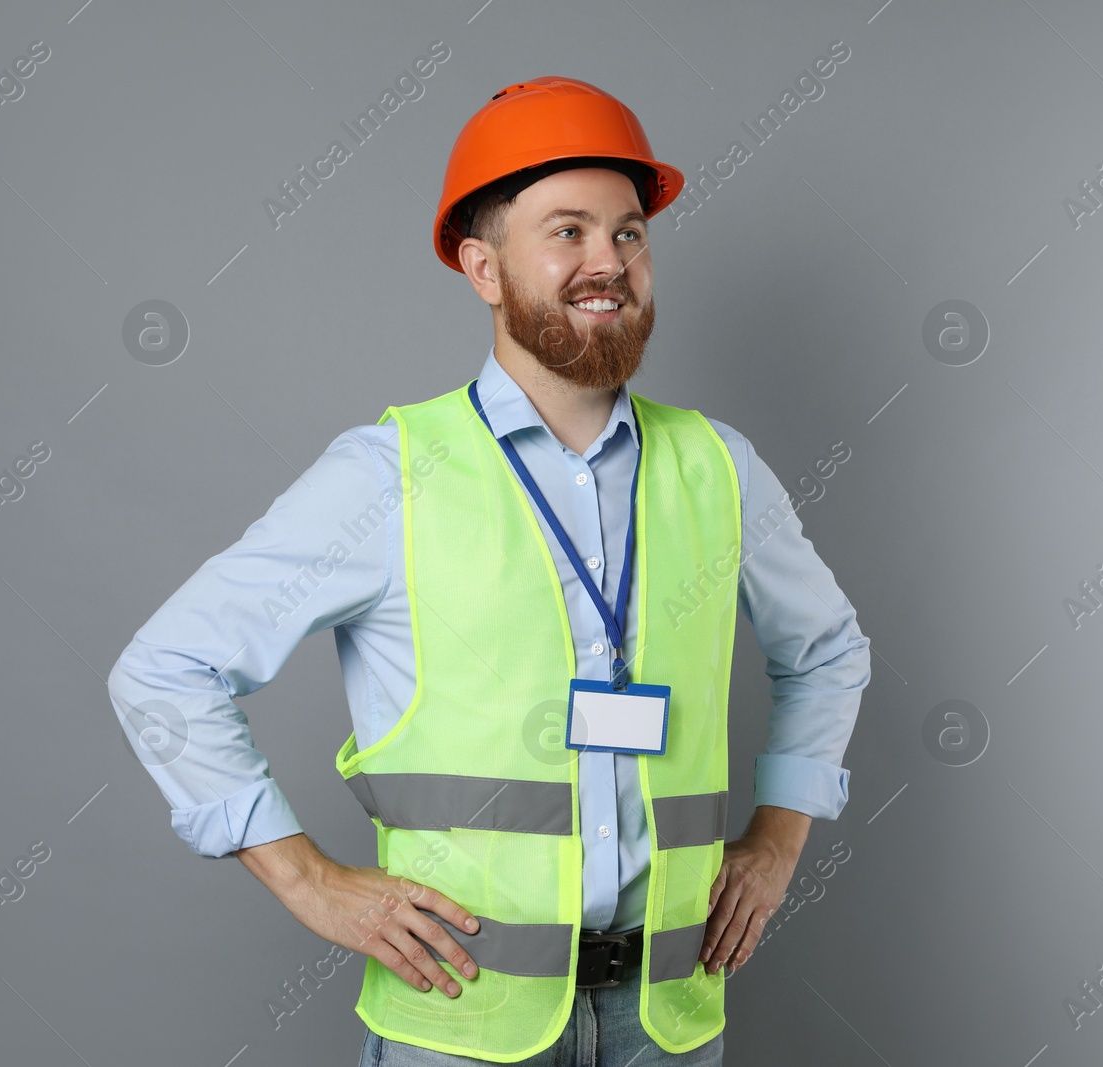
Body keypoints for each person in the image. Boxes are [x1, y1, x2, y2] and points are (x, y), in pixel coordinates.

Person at [106, 76, 870, 1066]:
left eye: (629, 233)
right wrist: (304, 878)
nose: (609, 262)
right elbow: (164, 670)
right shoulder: (387, 475)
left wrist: (776, 842)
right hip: (460, 1025)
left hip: (667, 1023)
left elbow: (828, 650)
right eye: (568, 231)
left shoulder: (719, 467)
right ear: (483, 266)